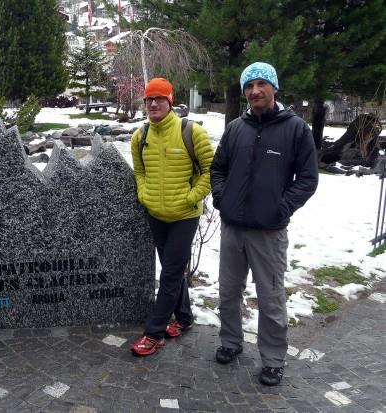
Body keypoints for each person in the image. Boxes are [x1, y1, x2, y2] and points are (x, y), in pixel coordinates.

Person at [210, 62, 318, 385]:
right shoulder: (235, 129)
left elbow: (308, 179)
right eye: (248, 86)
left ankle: (272, 359)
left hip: (269, 233)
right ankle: (230, 341)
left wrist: (281, 208)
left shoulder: (296, 129)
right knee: (228, 291)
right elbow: (218, 169)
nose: (254, 91)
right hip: (233, 229)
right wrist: (221, 198)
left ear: (274, 87)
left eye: (261, 84)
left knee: (270, 298)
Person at [130, 78, 214, 356]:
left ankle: (154, 333)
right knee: (173, 270)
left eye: (159, 99)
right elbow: (140, 171)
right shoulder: (140, 136)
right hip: (156, 214)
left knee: (169, 274)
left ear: (170, 102)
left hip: (184, 216)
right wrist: (144, 194)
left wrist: (191, 197)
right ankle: (185, 318)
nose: (153, 104)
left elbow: (212, 171)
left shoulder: (192, 132)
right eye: (148, 100)